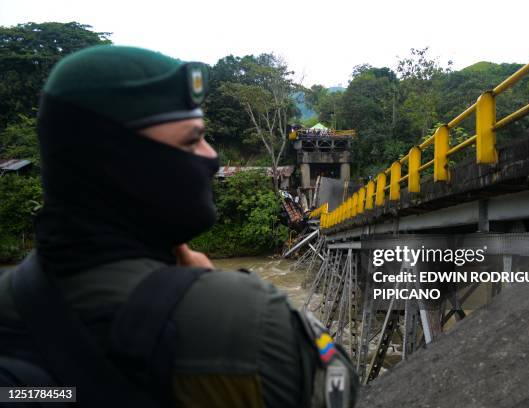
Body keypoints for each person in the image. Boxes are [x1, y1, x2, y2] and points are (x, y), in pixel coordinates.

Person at [0, 45, 357, 407]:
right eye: (192, 139)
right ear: (120, 162)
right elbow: (339, 384)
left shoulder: (15, 301)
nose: (212, 156)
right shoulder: (246, 318)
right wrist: (218, 288)